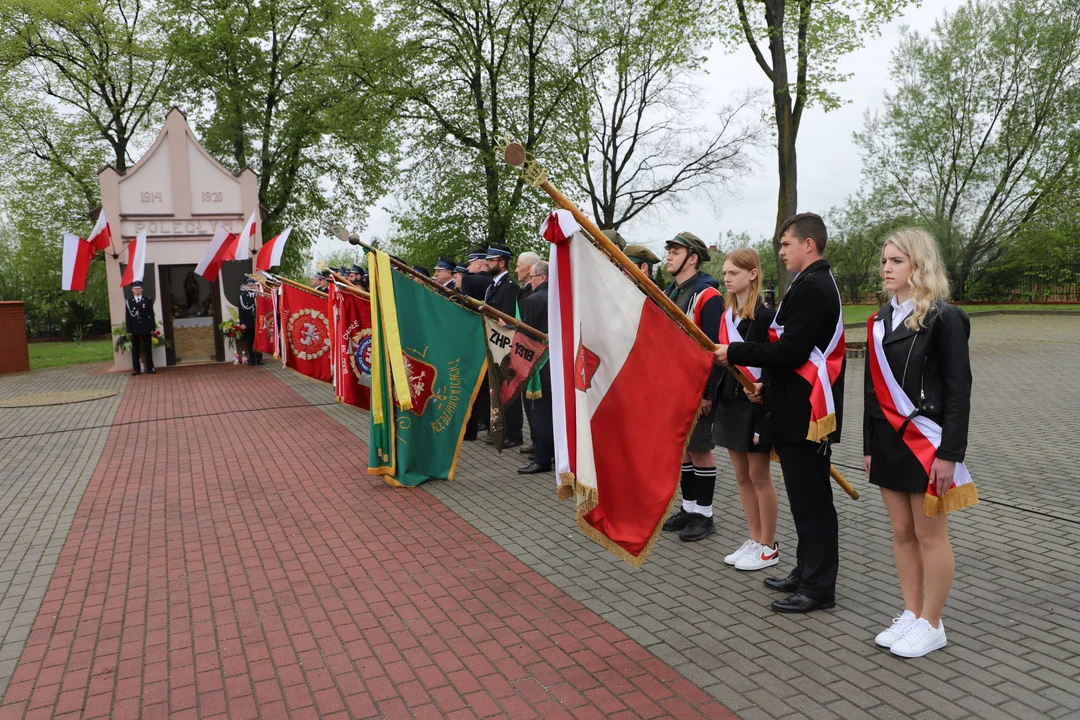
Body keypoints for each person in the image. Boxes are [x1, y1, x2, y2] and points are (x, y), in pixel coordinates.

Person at [715, 212, 846, 614]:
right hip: (792, 408)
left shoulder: (813, 287)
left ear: (809, 244)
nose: (781, 250)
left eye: (786, 243)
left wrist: (735, 351)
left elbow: (791, 352)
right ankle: (805, 571)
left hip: (806, 413)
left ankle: (819, 587)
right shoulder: (804, 284)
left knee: (813, 502)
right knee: (804, 499)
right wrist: (766, 388)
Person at [864, 228, 971, 658]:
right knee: (901, 532)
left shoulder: (945, 318)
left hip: (927, 443)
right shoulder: (877, 321)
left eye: (897, 261)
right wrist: (869, 446)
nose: (887, 268)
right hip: (888, 442)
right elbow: (872, 391)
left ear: (919, 265)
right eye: (885, 261)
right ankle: (911, 612)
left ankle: (932, 621)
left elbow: (959, 391)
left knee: (930, 535)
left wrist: (950, 455)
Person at [712, 248, 779, 571]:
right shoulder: (726, 315)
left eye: (734, 273)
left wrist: (763, 383)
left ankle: (769, 544)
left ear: (752, 274)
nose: (727, 278)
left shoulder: (765, 315)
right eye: (725, 273)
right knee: (740, 475)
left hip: (754, 400)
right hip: (730, 398)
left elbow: (774, 355)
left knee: (758, 475)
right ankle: (754, 539)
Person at [658, 232, 724, 542]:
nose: (669, 255)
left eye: (675, 251)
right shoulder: (671, 291)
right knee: (683, 449)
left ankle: (704, 514)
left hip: (697, 387)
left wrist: (708, 393)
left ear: (692, 258)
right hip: (673, 385)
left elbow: (713, 349)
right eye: (669, 250)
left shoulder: (707, 296)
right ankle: (688, 507)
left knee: (700, 450)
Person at [485, 244, 524, 448]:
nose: (487, 263)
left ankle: (514, 433)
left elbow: (508, 319)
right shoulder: (492, 285)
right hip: (493, 343)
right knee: (498, 388)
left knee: (508, 387)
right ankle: (501, 428)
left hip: (504, 345)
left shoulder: (510, 287)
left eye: (491, 260)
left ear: (502, 262)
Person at [518, 260, 552, 474]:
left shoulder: (533, 300)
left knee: (539, 412)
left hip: (540, 363)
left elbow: (527, 337)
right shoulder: (561, 297)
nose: (530, 282)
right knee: (553, 412)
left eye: (532, 278)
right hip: (557, 363)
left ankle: (541, 458)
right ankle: (554, 453)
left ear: (542, 277)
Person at [460, 248, 494, 440]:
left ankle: (471, 429)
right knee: (488, 383)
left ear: (478, 263)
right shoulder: (492, 282)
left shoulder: (468, 280)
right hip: (490, 336)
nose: (468, 267)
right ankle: (488, 422)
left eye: (470, 263)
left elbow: (465, 310)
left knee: (472, 382)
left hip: (472, 336)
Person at [126, 280, 156, 375]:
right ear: (132, 290)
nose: (137, 290)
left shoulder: (147, 300)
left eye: (139, 288)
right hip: (135, 329)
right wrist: (129, 329)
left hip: (146, 328)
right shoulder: (129, 302)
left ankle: (150, 367)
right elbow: (128, 316)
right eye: (135, 288)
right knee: (135, 349)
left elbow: (151, 314)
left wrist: (152, 328)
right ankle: (136, 369)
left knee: (148, 349)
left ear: (142, 289)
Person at [238, 278, 262, 365]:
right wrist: (242, 323)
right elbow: (241, 311)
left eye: (252, 285)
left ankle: (259, 359)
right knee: (250, 341)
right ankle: (251, 359)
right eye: (249, 285)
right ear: (246, 286)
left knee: (259, 340)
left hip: (259, 323)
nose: (251, 287)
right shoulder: (243, 297)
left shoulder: (259, 295)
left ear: (255, 286)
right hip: (249, 323)